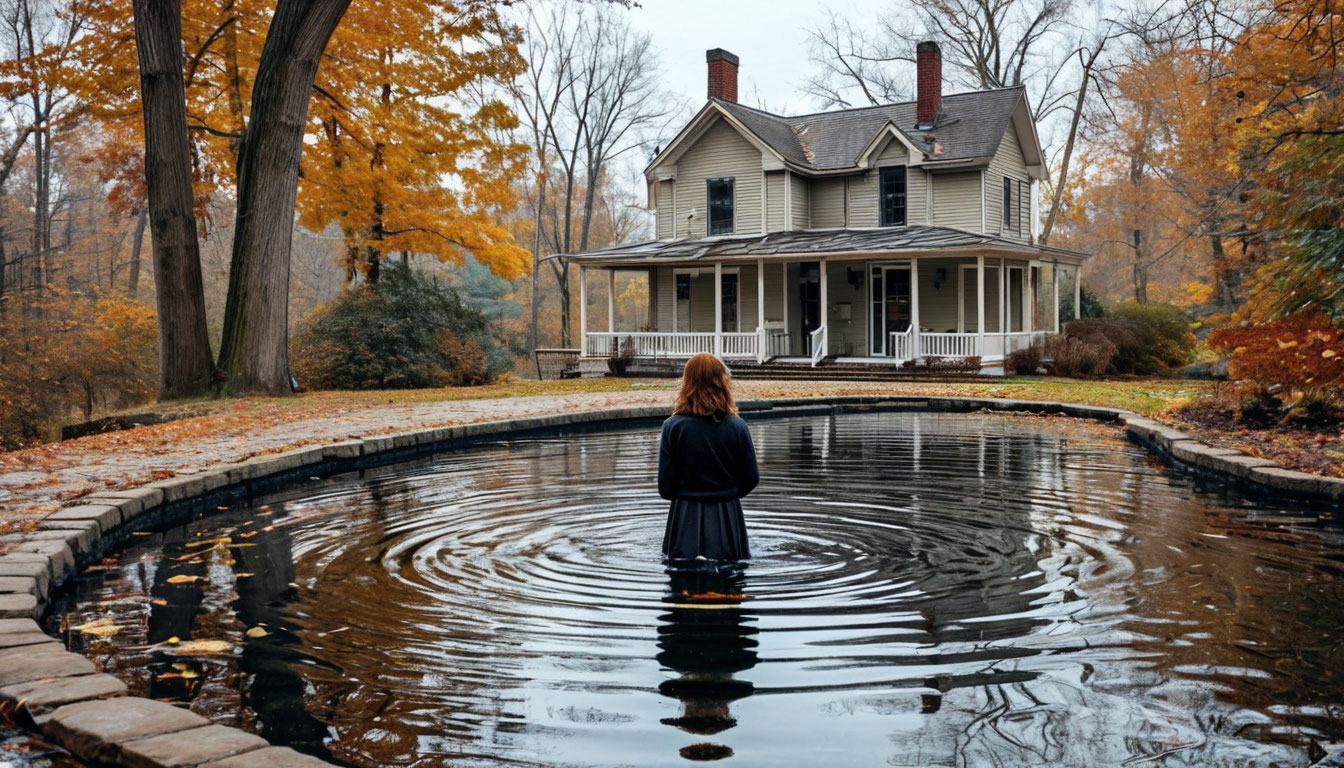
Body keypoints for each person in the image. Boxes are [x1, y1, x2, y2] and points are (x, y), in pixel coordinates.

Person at [658, 353, 759, 565]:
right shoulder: (738, 426)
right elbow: (751, 477)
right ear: (722, 382)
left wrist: (688, 493)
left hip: (684, 522)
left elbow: (665, 487)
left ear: (687, 383)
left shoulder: (672, 427)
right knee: (730, 575)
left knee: (681, 576)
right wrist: (727, 494)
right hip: (728, 523)